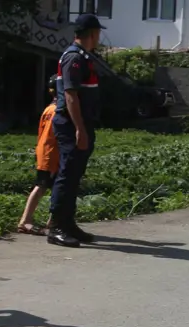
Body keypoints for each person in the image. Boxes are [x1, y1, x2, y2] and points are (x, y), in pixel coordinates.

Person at [47, 13, 106, 247]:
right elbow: (70, 97)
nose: (99, 36)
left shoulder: (84, 56)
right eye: (98, 32)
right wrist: (80, 129)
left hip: (81, 124)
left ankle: (68, 223)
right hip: (71, 125)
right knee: (67, 174)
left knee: (74, 176)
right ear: (92, 33)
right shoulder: (74, 57)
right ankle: (56, 227)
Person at [18, 74, 60, 236]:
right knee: (45, 186)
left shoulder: (48, 109)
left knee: (46, 186)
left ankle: (49, 222)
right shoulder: (58, 110)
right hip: (52, 154)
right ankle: (26, 220)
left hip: (45, 151)